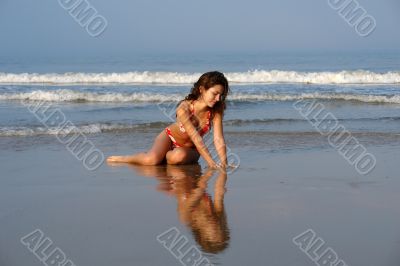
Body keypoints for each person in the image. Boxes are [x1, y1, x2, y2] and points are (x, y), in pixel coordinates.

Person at [107, 71, 230, 169]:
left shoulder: (216, 111)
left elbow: (218, 139)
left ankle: (164, 157)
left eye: (221, 95)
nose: (218, 98)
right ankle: (126, 158)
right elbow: (195, 137)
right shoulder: (184, 108)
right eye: (215, 93)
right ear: (202, 89)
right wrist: (211, 163)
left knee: (178, 156)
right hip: (169, 137)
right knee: (151, 161)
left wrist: (224, 163)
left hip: (191, 149)